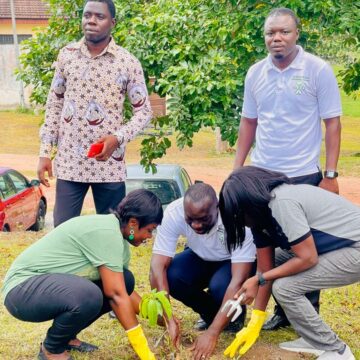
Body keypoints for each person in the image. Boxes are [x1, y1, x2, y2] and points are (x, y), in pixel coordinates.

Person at [233, 7, 342, 331]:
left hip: (304, 174)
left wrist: (331, 175)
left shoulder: (317, 70)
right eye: (271, 33)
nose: (277, 38)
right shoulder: (255, 73)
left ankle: (307, 313)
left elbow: (333, 123)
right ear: (264, 37)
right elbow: (248, 122)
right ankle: (282, 309)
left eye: (284, 32)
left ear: (297, 34)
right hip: (262, 175)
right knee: (268, 242)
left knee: (304, 244)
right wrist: (238, 168)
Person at [2, 189, 163, 360]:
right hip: (21, 290)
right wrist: (145, 354)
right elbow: (116, 295)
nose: (149, 237)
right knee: (90, 295)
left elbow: (124, 292)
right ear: (133, 223)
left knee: (125, 279)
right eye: (149, 230)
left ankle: (67, 338)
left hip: (41, 289)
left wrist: (164, 319)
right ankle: (52, 350)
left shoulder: (118, 239)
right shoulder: (106, 232)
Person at [219, 166, 359, 360]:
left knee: (285, 288)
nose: (241, 222)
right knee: (275, 261)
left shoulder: (281, 203)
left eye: (239, 214)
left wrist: (260, 279)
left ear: (248, 202)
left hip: (356, 248)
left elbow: (307, 258)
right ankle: (313, 339)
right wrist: (255, 323)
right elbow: (264, 268)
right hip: (334, 247)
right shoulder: (260, 219)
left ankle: (337, 351)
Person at [37, 0, 152, 227]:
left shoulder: (127, 62)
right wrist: (44, 152)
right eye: (87, 15)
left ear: (113, 22)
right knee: (63, 234)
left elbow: (144, 111)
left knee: (113, 234)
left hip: (109, 165)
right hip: (70, 164)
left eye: (99, 16)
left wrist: (117, 138)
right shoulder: (66, 56)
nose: (91, 20)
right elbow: (54, 105)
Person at [150, 183, 256, 360]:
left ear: (217, 207)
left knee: (220, 287)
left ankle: (230, 317)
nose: (196, 225)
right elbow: (157, 267)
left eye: (203, 219)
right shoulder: (174, 212)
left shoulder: (237, 216)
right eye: (190, 219)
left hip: (233, 261)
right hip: (199, 256)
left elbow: (238, 280)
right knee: (172, 276)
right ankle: (212, 315)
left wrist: (212, 334)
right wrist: (168, 319)